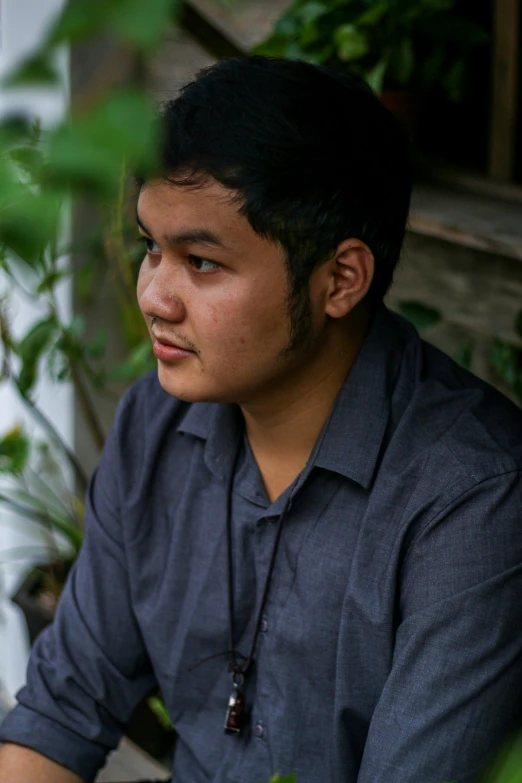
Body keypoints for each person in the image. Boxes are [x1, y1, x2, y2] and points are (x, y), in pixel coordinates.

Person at [1, 55, 522, 783]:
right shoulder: (155, 424)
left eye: (202, 262)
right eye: (152, 246)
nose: (154, 293)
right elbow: (60, 712)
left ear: (341, 278)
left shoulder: (472, 496)